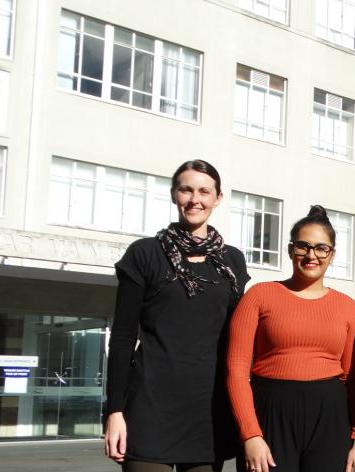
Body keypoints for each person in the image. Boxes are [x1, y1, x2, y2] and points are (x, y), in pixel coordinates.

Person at [104, 160, 251, 471]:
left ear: (218, 198)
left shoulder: (232, 261)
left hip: (208, 410)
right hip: (148, 409)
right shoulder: (145, 254)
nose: (194, 199)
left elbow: (238, 340)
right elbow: (122, 337)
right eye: (186, 189)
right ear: (173, 194)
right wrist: (114, 410)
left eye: (204, 191)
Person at [226, 205, 355, 472]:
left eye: (321, 248)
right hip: (270, 412)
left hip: (330, 416)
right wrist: (251, 435)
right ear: (291, 250)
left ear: (332, 254)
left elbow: (354, 380)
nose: (311, 255)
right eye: (303, 246)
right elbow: (235, 371)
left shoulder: (347, 306)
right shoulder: (258, 296)